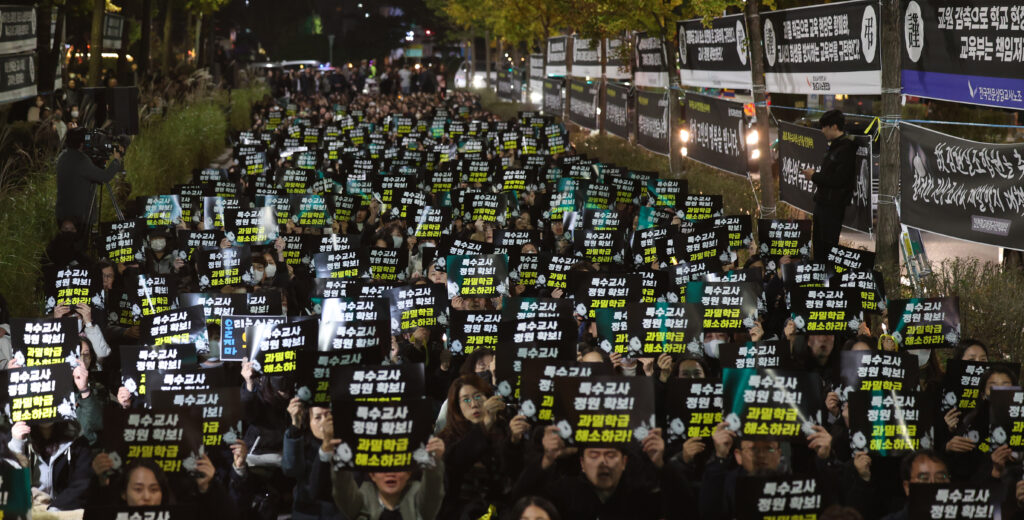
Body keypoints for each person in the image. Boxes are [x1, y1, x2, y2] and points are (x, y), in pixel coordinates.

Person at [801, 109, 858, 261]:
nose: (822, 131)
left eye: (824, 127)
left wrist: (813, 176)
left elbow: (838, 180)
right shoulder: (834, 146)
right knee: (818, 246)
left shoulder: (846, 148)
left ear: (834, 127)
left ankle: (827, 280)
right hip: (822, 202)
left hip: (833, 206)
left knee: (827, 248)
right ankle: (819, 278)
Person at [55, 127, 123, 228]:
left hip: (62, 215)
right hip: (79, 218)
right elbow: (105, 177)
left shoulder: (62, 156)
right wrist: (116, 160)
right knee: (80, 242)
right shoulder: (81, 160)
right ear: (81, 144)